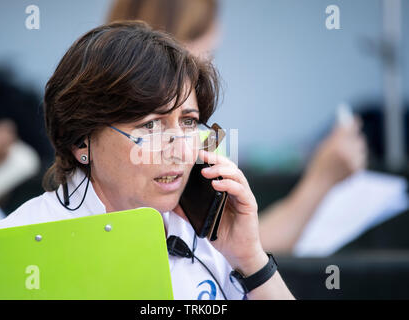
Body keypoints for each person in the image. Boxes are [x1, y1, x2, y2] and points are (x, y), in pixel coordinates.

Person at [0, 21, 294, 300]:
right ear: (81, 141)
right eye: (150, 125)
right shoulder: (7, 247)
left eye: (189, 122)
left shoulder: (208, 236)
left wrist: (250, 258)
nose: (178, 148)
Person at [107, 0, 368, 253]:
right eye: (205, 55)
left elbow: (228, 242)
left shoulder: (207, 136)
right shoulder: (204, 139)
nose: (206, 74)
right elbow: (230, 256)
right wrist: (320, 181)